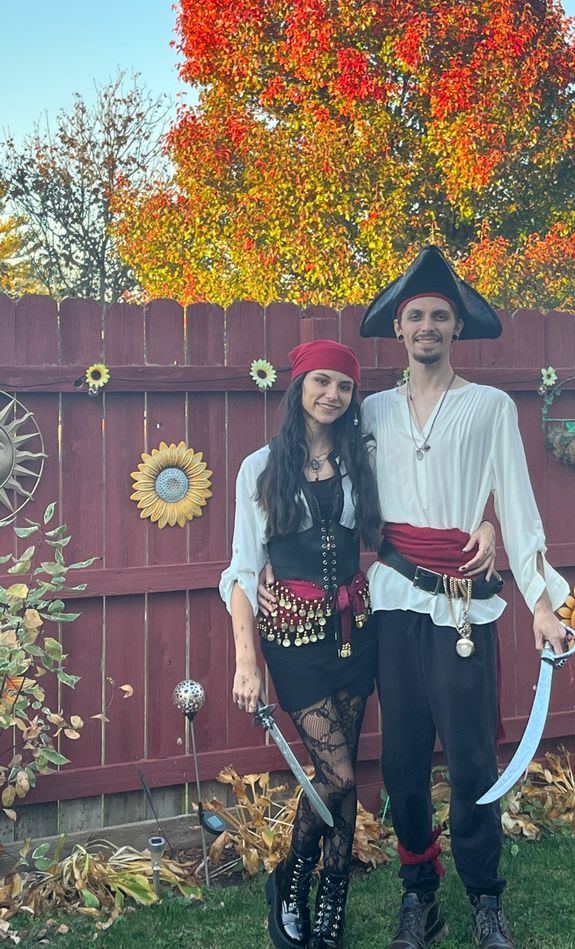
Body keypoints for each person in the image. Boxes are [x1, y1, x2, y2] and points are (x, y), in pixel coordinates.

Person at [358, 245, 570, 949]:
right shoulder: (370, 412)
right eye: (415, 315)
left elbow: (517, 499)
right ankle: (421, 895)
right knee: (403, 763)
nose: (426, 326)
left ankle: (484, 897)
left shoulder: (490, 407)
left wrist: (541, 599)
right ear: (398, 328)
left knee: (474, 761)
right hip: (393, 604)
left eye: (439, 316)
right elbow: (324, 480)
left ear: (456, 328)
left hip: (462, 609)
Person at [219, 339, 382, 949]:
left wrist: (488, 523)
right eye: (321, 382)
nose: (332, 395)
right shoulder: (260, 469)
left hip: (355, 634)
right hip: (291, 637)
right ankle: (290, 883)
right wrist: (246, 663)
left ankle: (332, 899)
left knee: (340, 775)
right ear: (298, 388)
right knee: (336, 776)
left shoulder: (362, 462)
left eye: (343, 386)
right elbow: (241, 569)